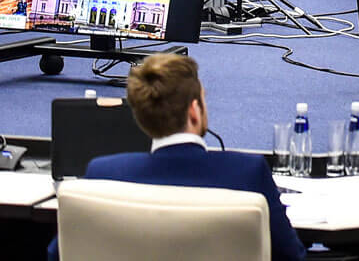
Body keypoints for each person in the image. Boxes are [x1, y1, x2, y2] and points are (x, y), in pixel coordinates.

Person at [47, 53, 305, 261]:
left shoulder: (103, 174)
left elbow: (58, 252)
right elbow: (291, 256)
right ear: (195, 111)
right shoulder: (247, 173)